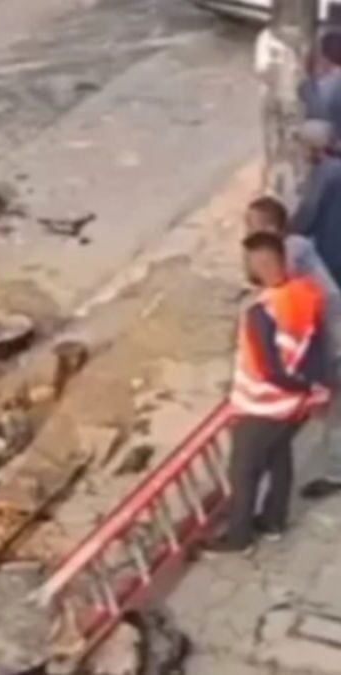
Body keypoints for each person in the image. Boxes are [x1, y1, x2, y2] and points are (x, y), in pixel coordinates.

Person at [205, 233, 329, 556]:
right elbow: (316, 346)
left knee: (243, 470)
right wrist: (314, 388)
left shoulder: (260, 313)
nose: (261, 268)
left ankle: (238, 536)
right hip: (294, 405)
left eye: (262, 262)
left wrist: (304, 387)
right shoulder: (306, 293)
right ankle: (274, 521)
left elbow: (268, 370)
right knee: (279, 457)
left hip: (262, 405)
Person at [245, 197, 341, 499]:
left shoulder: (290, 254)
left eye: (253, 226)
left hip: (332, 344)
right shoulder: (297, 245)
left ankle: (337, 472)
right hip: (330, 339)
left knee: (332, 412)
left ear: (271, 227)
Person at [293, 119, 341, 284]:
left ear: (313, 148)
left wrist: (284, 232)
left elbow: (307, 214)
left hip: (332, 254)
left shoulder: (325, 173)